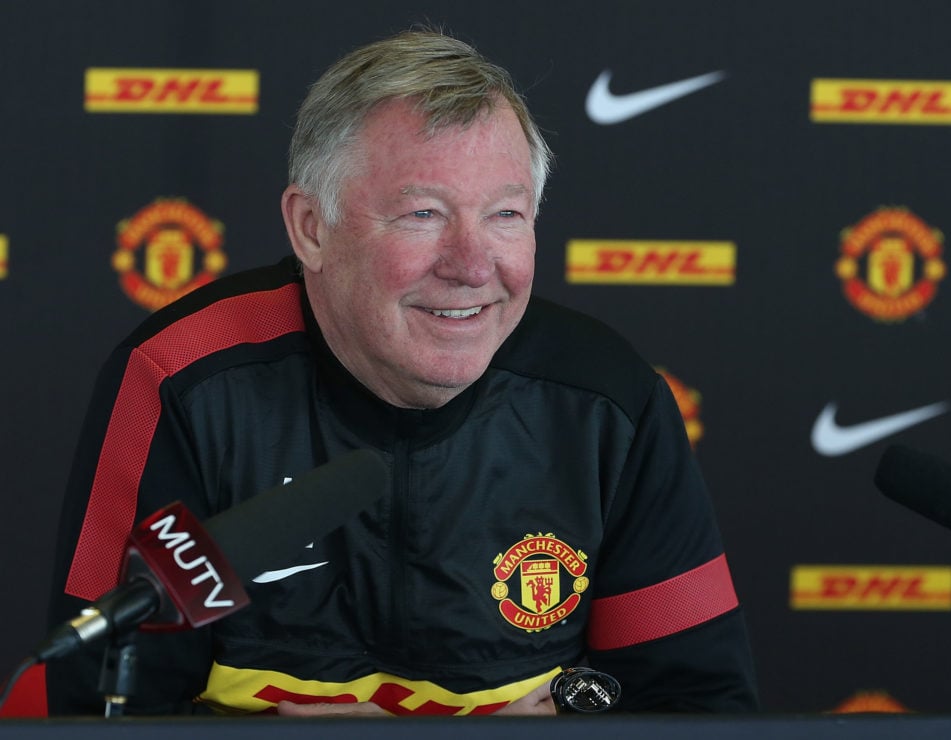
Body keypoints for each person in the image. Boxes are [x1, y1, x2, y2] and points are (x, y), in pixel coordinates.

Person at [46, 28, 758, 716]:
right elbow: (96, 702)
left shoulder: (609, 401)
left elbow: (699, 701)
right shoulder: (181, 381)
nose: (474, 266)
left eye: (506, 214)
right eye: (423, 213)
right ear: (311, 229)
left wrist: (575, 712)